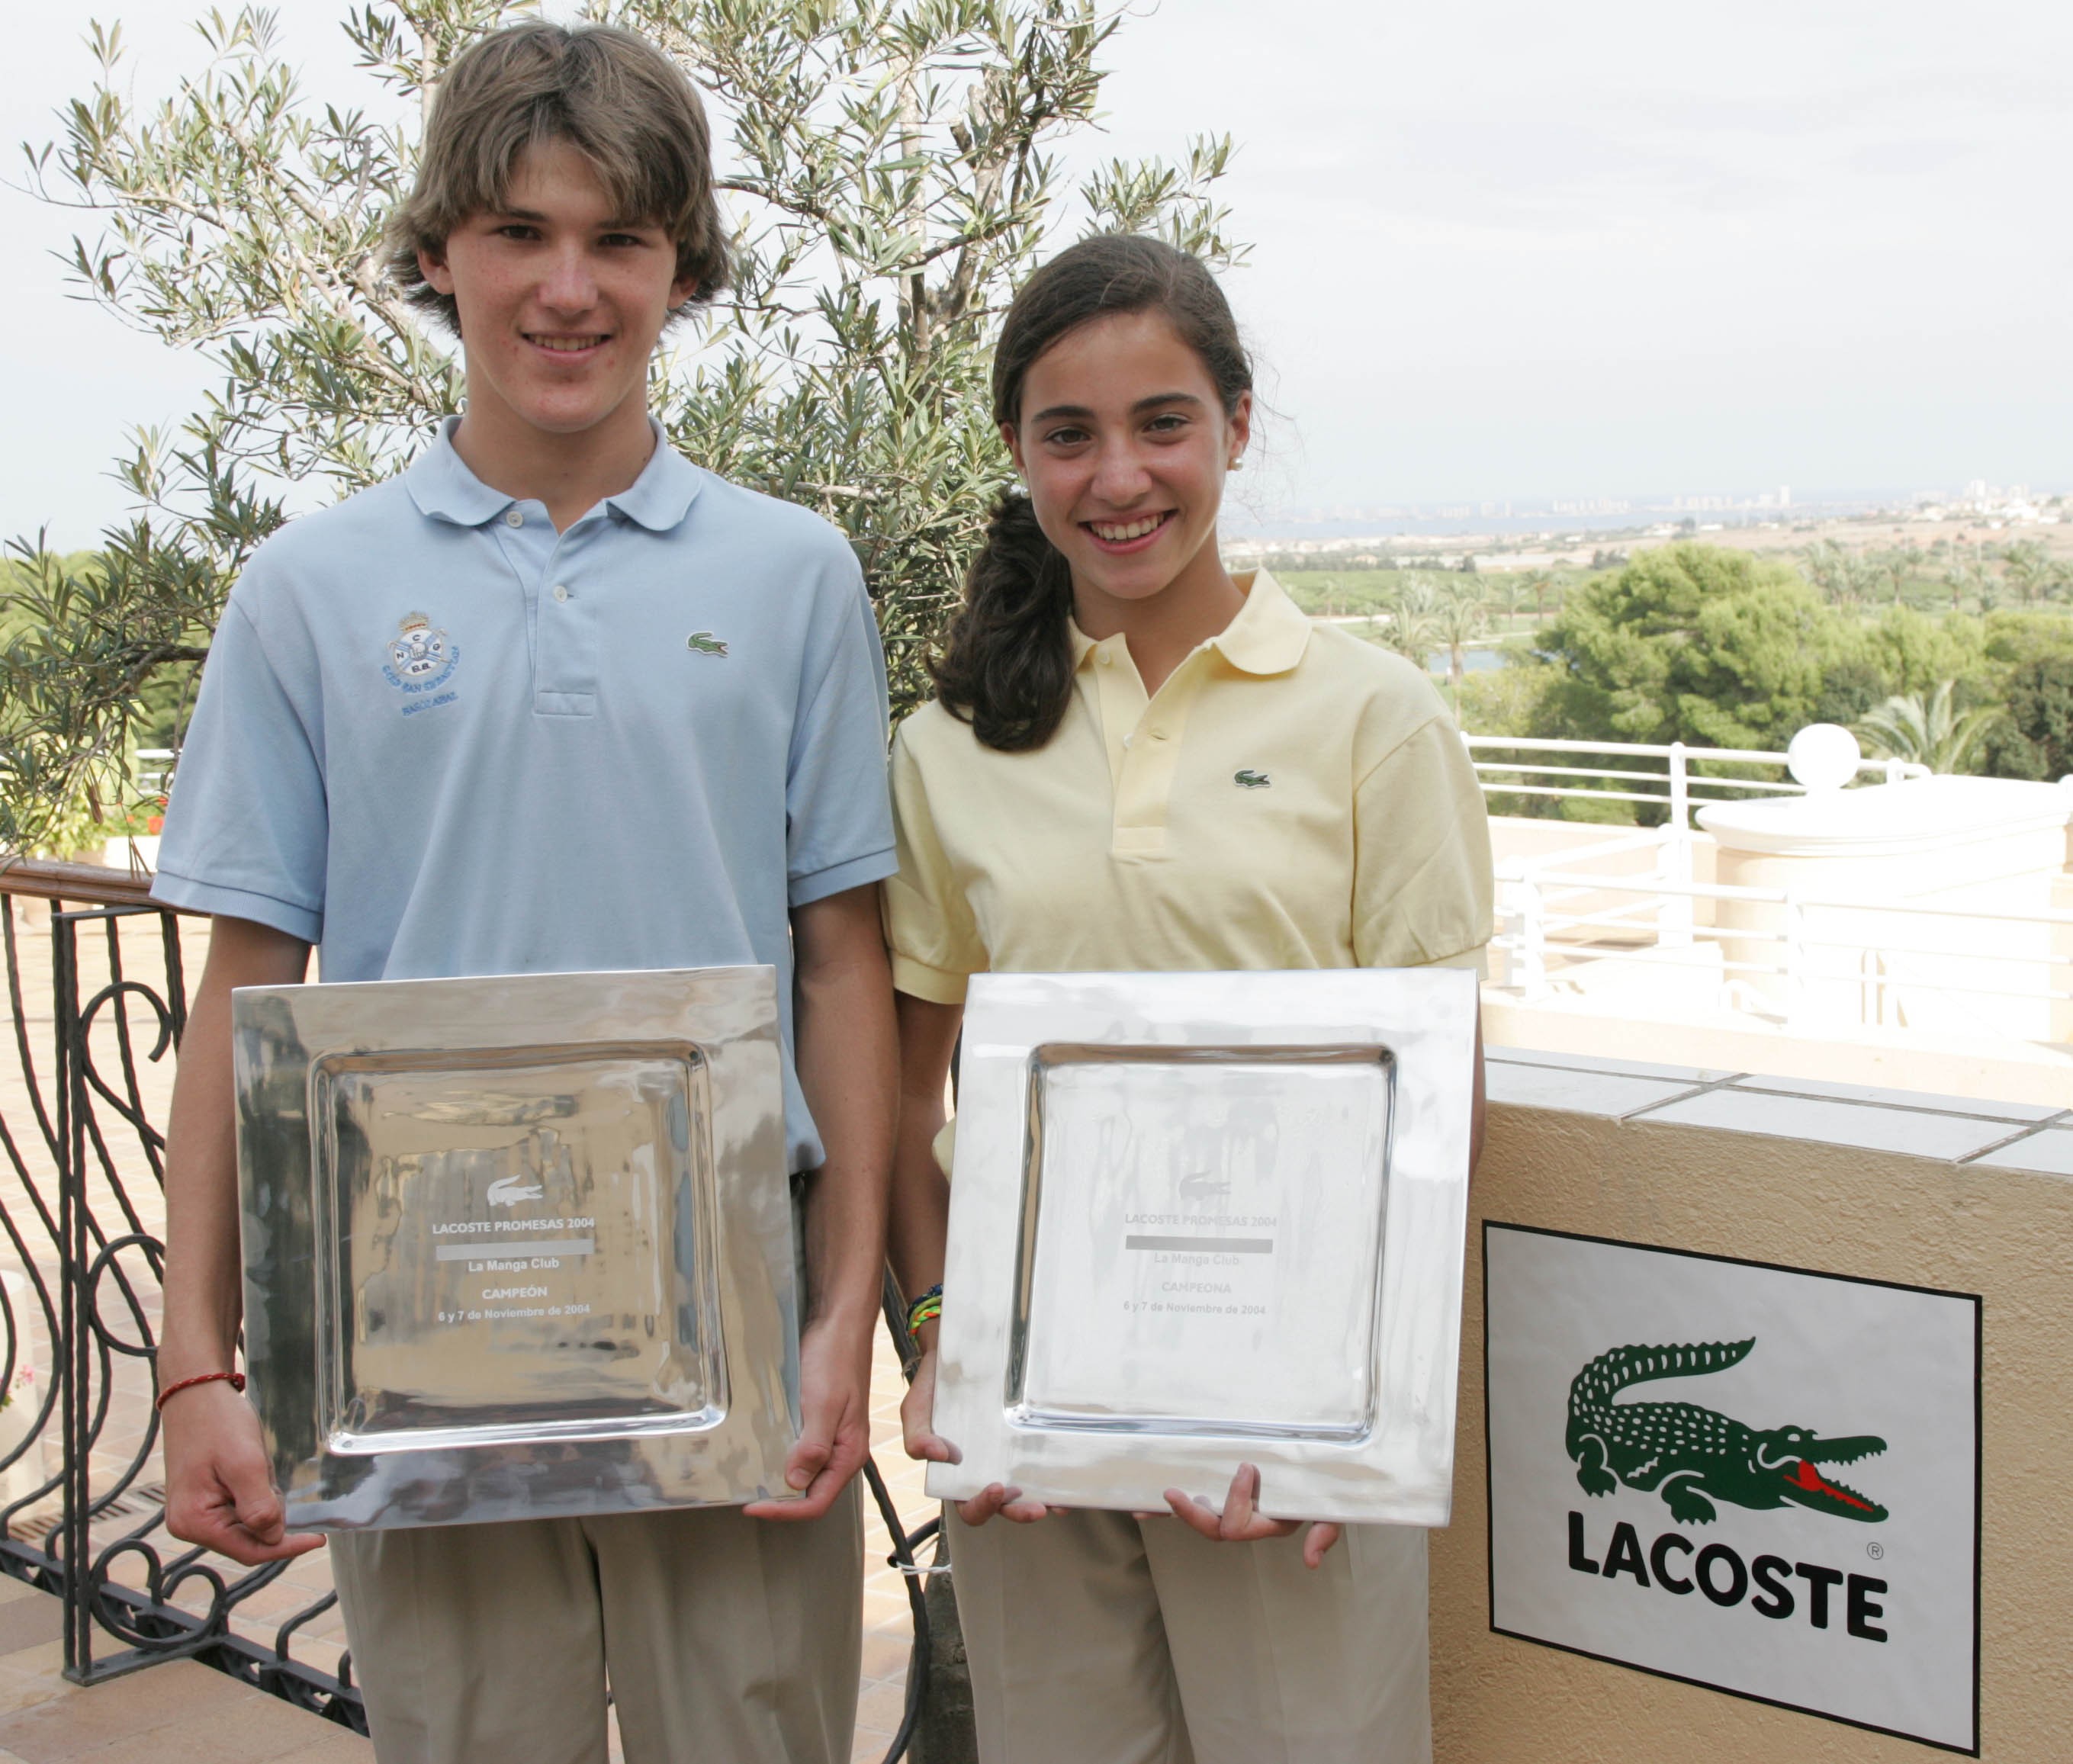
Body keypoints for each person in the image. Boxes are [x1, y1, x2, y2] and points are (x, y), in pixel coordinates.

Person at [149, 24, 897, 1764]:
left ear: (683, 269)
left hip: (733, 1314)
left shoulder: (793, 574)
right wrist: (198, 1358)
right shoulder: (307, 590)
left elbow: (842, 961)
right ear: (437, 254)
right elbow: (244, 986)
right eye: (517, 234)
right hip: (418, 1324)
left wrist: (843, 1313)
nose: (568, 289)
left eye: (619, 240)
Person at [882, 233, 1493, 1764]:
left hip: (1286, 1437)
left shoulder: (1378, 720)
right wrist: (946, 1333)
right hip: (1034, 1420)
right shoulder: (946, 746)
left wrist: (1345, 1417)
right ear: (1018, 453)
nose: (1118, 476)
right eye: (1067, 434)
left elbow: (1433, 1099)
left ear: (1236, 423)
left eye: (1162, 421)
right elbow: (898, 1092)